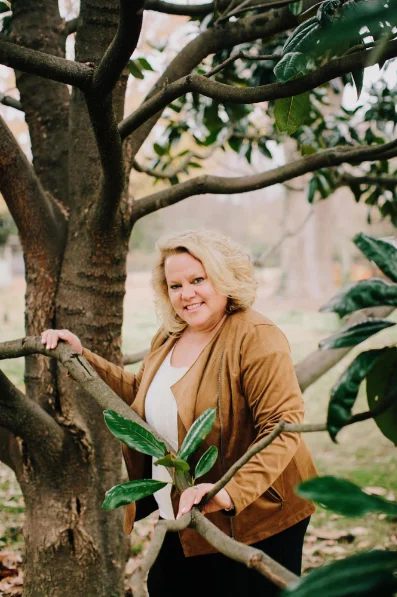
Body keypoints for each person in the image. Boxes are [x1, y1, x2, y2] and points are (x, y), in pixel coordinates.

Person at [41, 229, 317, 597]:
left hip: (254, 517)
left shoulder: (256, 336)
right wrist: (81, 357)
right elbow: (143, 394)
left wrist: (227, 492)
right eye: (175, 286)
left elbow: (282, 427)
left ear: (223, 277)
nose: (186, 294)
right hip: (182, 507)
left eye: (197, 280)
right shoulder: (172, 333)